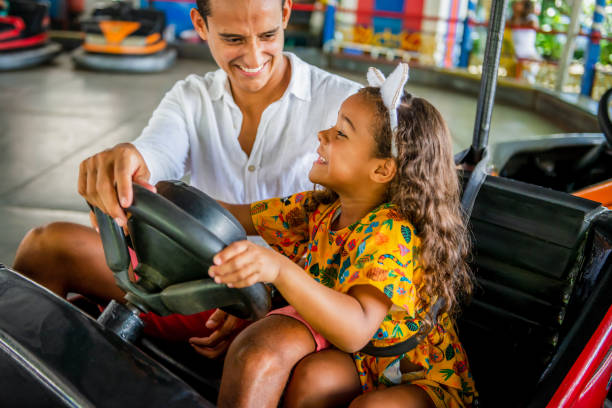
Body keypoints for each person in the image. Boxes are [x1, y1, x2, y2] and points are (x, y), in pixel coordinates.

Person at [12, 0, 359, 358]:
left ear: (286, 13)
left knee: (287, 358)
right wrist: (129, 161)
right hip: (195, 284)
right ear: (201, 25)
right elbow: (155, 152)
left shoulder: (347, 106)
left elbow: (373, 229)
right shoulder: (191, 98)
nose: (254, 55)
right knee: (46, 247)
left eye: (268, 35)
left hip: (294, 303)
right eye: (233, 39)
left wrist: (278, 288)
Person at [208, 63, 476, 408]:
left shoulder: (391, 233)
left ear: (381, 169)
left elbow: (355, 329)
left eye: (341, 133)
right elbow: (237, 215)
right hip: (366, 362)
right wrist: (154, 193)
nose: (323, 134)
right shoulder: (321, 208)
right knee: (311, 379)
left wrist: (279, 270)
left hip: (420, 375)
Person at [508, 0, 540, 83]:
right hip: (516, 54)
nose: (516, 4)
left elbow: (534, 24)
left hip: (528, 54)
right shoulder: (513, 18)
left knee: (527, 78)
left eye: (520, 3)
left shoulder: (531, 17)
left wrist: (518, 22)